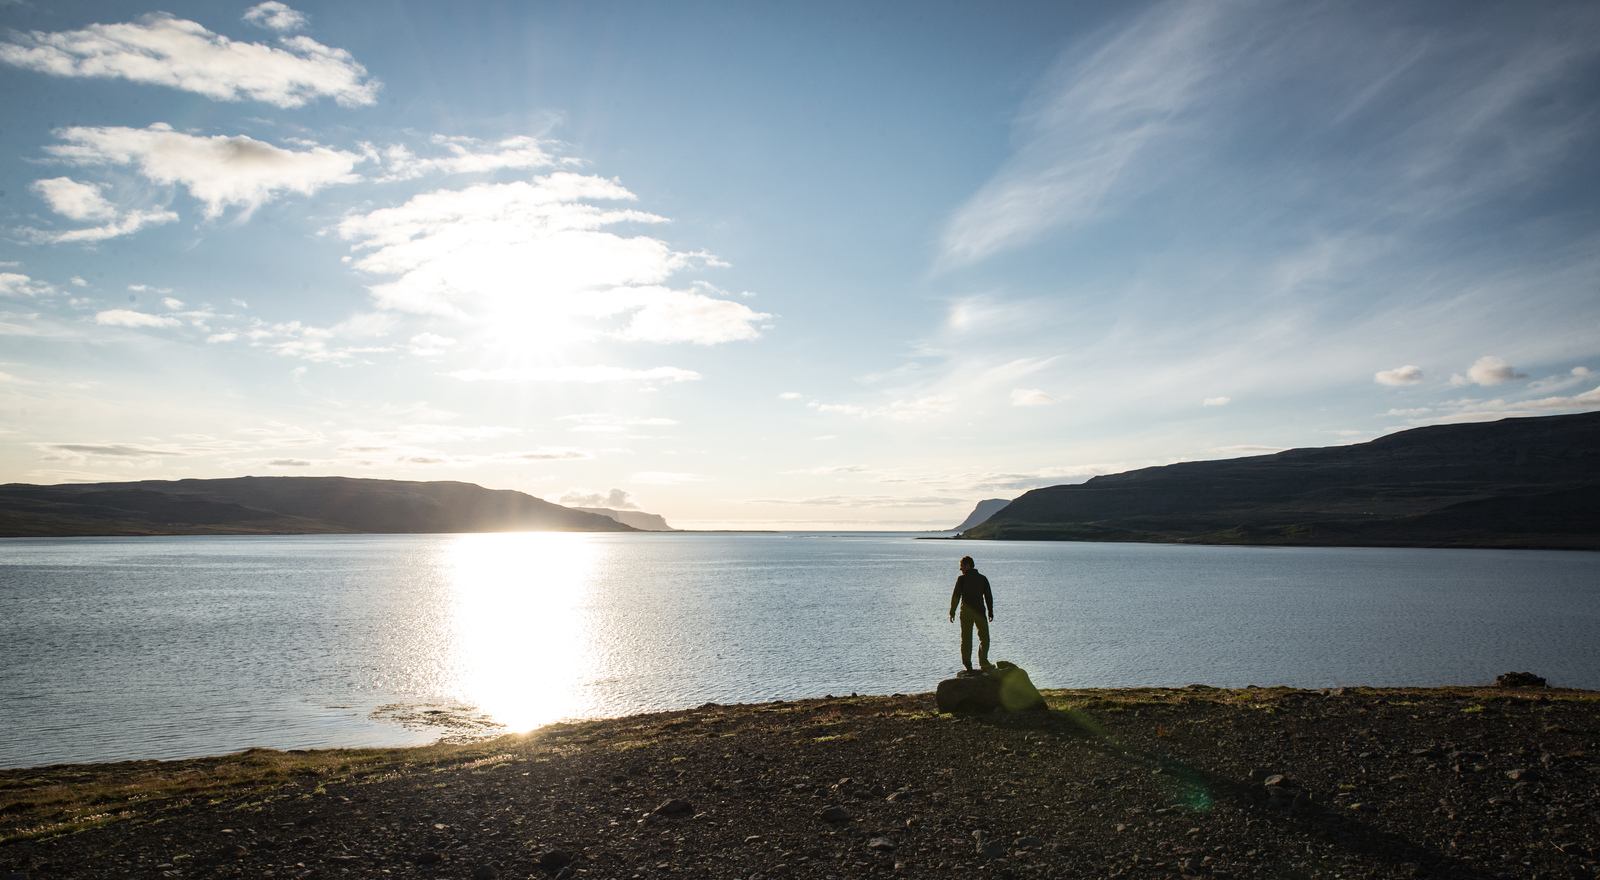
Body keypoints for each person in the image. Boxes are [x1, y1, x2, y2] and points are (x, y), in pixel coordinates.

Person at [948, 555, 994, 671]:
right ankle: (983, 661)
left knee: (966, 639)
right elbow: (988, 597)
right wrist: (990, 611)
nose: (960, 569)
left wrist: (952, 611)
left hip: (966, 614)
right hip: (979, 612)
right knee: (985, 638)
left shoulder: (962, 579)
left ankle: (968, 664)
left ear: (968, 565)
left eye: (962, 566)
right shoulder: (983, 578)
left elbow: (956, 596)